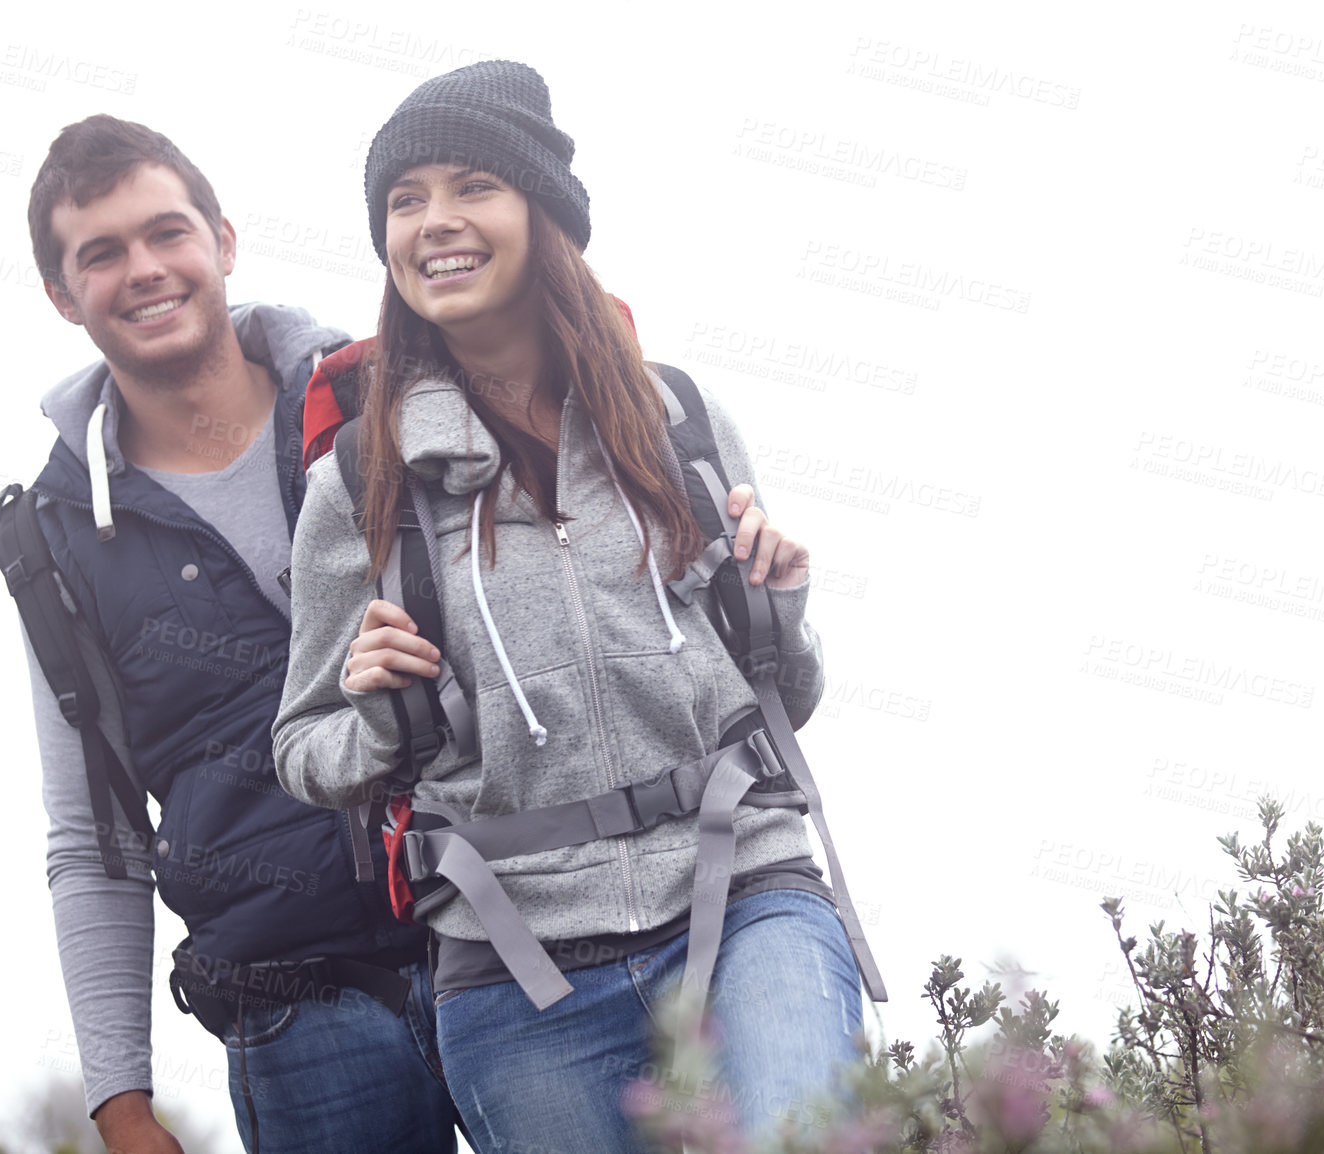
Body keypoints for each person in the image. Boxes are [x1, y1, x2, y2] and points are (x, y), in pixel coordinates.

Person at [274, 60, 880, 1149]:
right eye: (404, 200)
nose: (434, 223)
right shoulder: (355, 483)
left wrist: (779, 611)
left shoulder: (679, 419)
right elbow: (301, 746)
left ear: (543, 213)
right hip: (518, 972)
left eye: (471, 187)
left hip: (744, 892)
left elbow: (782, 692)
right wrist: (370, 710)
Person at [7, 114, 462, 1153]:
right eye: (101, 252)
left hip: (512, 944)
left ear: (222, 239)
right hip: (297, 1016)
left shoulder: (384, 397)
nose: (144, 269)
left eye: (166, 232)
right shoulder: (53, 542)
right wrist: (121, 1101)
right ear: (62, 295)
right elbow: (94, 840)